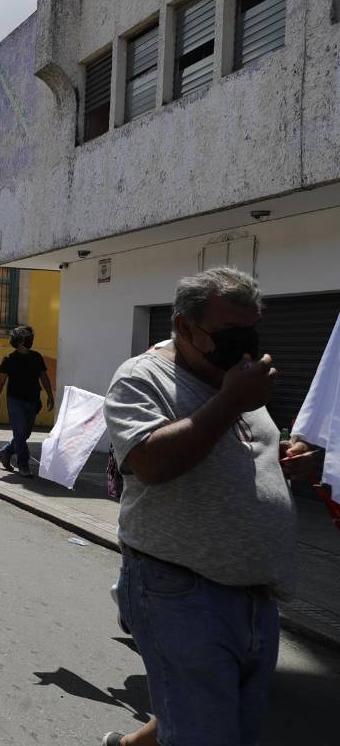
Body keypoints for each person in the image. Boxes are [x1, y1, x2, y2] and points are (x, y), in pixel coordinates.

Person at [103, 267, 315, 746]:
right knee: (206, 733)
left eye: (251, 329)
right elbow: (151, 462)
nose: (244, 343)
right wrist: (232, 399)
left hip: (255, 595)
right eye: (230, 330)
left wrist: (283, 459)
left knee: (230, 726)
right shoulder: (142, 377)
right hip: (181, 590)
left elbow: (243, 446)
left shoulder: (235, 376)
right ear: (185, 326)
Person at [0, 325, 55, 477]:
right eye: (27, 337)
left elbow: (44, 377)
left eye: (31, 336)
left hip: (33, 400)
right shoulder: (8, 360)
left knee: (24, 434)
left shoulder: (36, 357)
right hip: (15, 401)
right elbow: (1, 382)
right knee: (20, 433)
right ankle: (23, 465)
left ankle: (6, 452)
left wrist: (50, 395)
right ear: (19, 340)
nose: (31, 339)